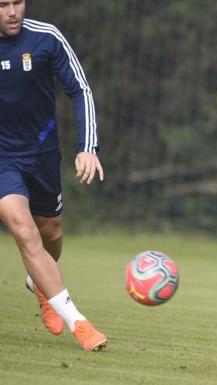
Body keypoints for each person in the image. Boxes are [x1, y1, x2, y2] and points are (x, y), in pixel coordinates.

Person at [0, 0, 106, 351]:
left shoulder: (46, 37)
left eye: (17, 2)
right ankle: (81, 324)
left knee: (50, 232)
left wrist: (87, 146)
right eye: (2, 5)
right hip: (3, 161)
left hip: (44, 157)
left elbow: (80, 90)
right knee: (24, 230)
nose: (13, 11)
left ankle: (40, 285)